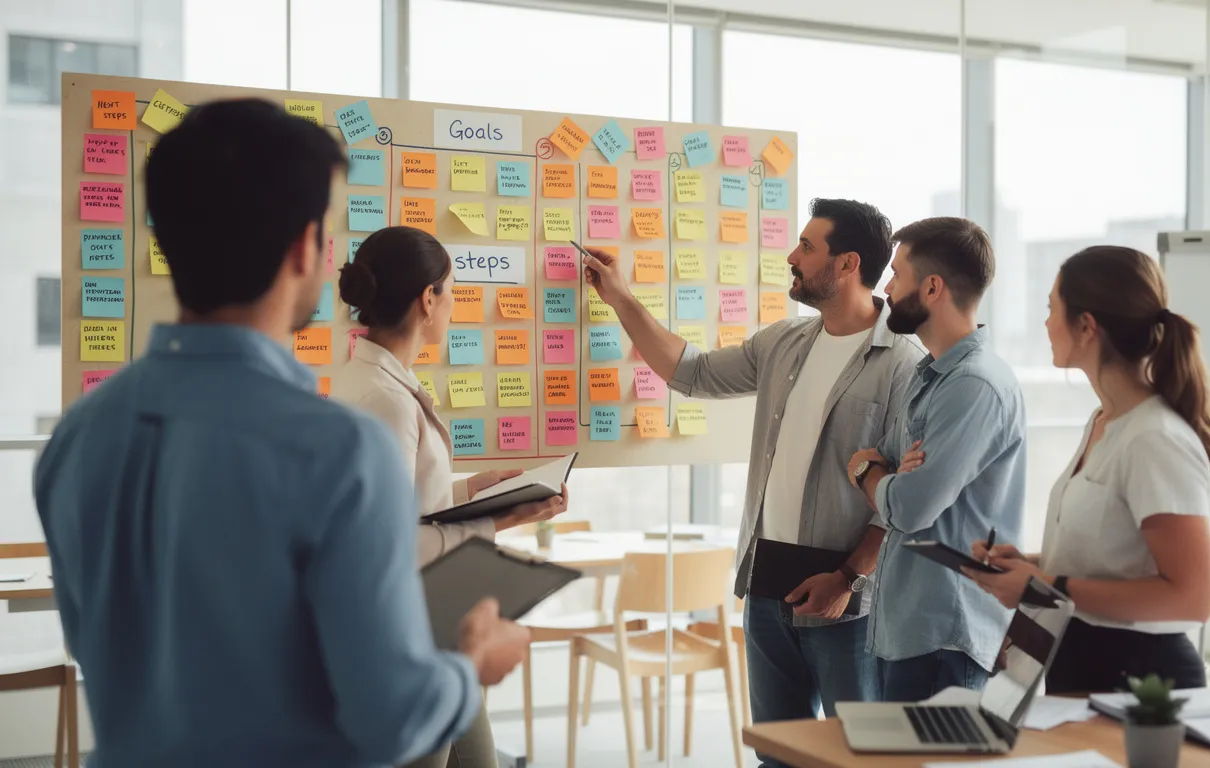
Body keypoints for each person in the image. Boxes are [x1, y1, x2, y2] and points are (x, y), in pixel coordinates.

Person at [32, 99, 530, 768]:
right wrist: (474, 663)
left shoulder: (78, 438)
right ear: (305, 248)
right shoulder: (336, 452)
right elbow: (391, 716)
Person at [583, 199, 923, 752]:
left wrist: (849, 578)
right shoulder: (784, 343)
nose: (792, 255)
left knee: (862, 756)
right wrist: (621, 298)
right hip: (768, 587)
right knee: (776, 753)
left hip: (848, 601)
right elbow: (689, 372)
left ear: (846, 264)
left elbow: (905, 497)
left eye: (807, 247)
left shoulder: (904, 364)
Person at [331, 225, 569, 768]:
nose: (456, 306)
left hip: (430, 624)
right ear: (427, 299)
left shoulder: (380, 382)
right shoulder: (382, 398)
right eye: (453, 291)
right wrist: (499, 521)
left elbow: (405, 503)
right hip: (408, 630)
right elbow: (387, 545)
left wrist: (474, 491)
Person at [964, 245, 1210, 693]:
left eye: (1051, 309)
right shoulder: (1103, 422)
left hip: (1141, 680)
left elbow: (1193, 598)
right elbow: (1114, 560)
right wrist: (1027, 566)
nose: (1045, 323)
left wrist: (1045, 584)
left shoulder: (1154, 439)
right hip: (1082, 662)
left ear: (1086, 327)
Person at [846, 216, 1026, 702]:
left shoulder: (974, 386)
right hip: (906, 633)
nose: (886, 287)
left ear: (931, 288)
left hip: (942, 638)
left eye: (897, 275)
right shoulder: (929, 374)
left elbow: (906, 506)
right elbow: (883, 462)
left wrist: (869, 473)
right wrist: (881, 473)